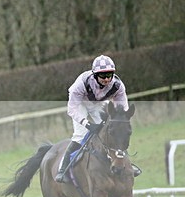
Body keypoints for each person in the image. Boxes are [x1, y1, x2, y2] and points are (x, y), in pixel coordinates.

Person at [55, 54, 138, 182]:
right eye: (103, 76)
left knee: (111, 131)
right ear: (95, 75)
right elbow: (72, 108)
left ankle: (126, 164)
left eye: (109, 75)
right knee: (80, 134)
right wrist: (86, 123)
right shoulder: (80, 84)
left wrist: (121, 121)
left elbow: (122, 108)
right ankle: (63, 169)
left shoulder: (118, 85)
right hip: (80, 104)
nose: (106, 79)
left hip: (98, 104)